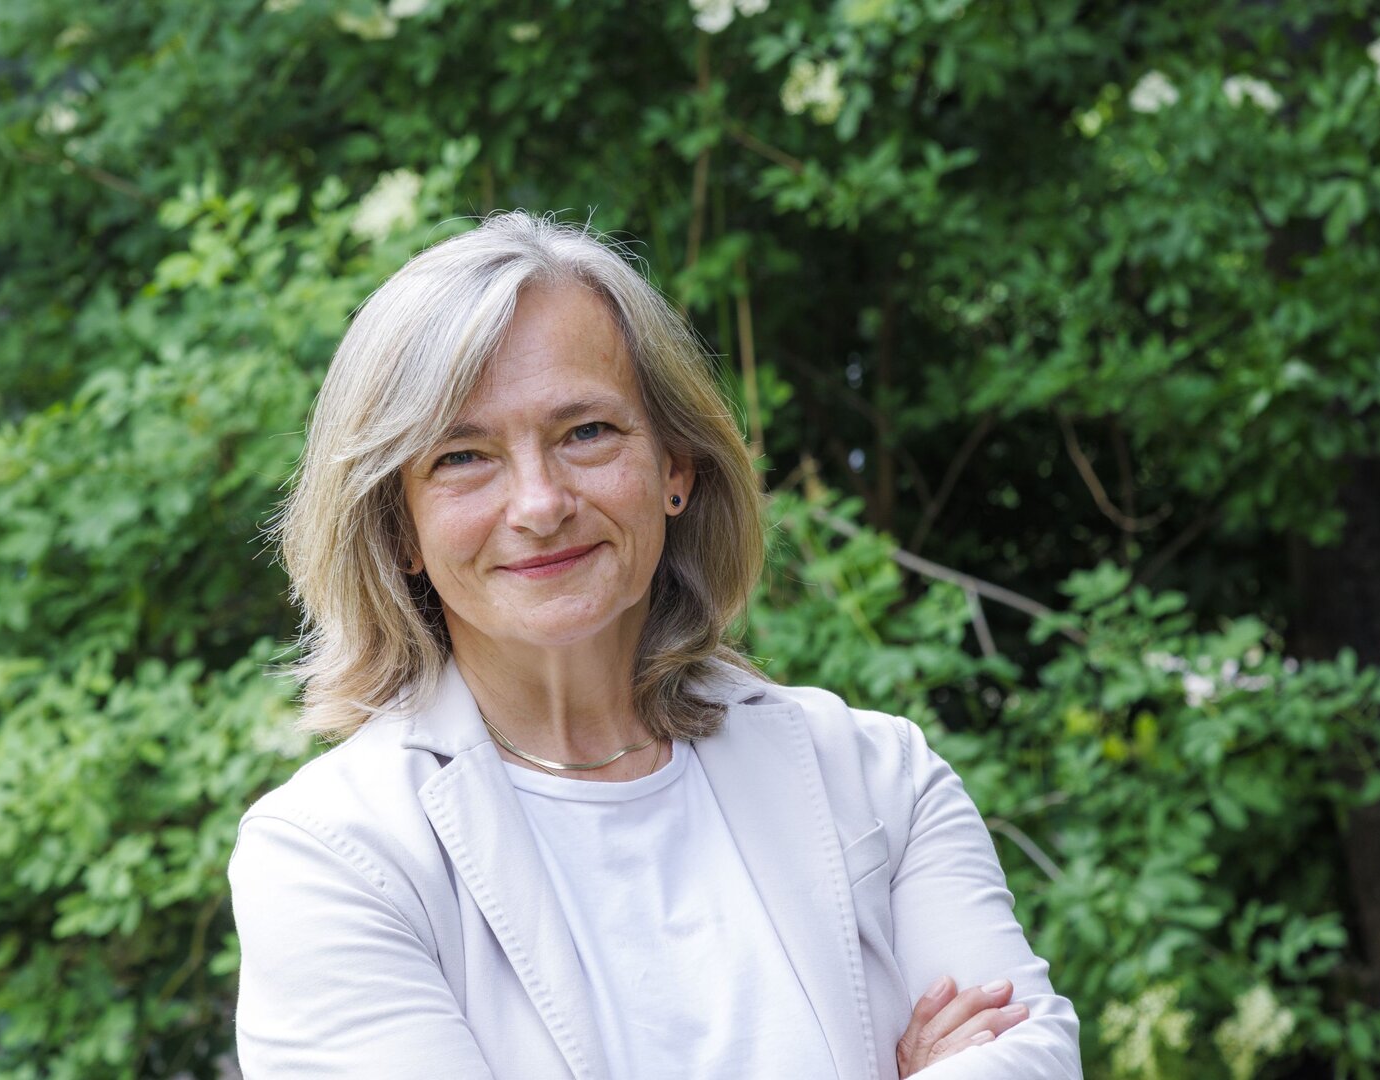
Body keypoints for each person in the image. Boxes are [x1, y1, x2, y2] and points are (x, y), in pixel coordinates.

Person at [229, 211, 1082, 1079]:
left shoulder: (876, 777)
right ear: (400, 528)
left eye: (586, 433)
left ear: (677, 466)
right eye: (462, 456)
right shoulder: (333, 857)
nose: (539, 502)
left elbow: (1032, 1059)